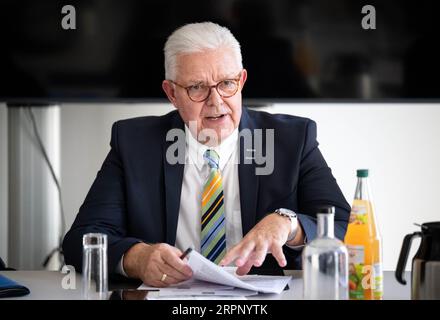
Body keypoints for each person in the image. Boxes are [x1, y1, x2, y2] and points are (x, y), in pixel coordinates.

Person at [63, 22, 350, 287]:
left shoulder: (292, 140)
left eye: (227, 83)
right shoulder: (134, 143)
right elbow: (82, 240)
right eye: (197, 88)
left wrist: (287, 223)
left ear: (242, 81)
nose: (216, 103)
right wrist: (137, 258)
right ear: (172, 93)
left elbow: (342, 224)